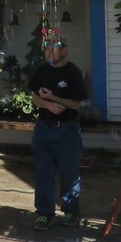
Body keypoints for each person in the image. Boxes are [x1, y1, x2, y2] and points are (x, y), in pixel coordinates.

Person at [28, 38, 87, 230]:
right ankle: (45, 214)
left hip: (67, 129)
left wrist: (53, 98)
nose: (48, 53)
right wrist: (46, 104)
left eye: (52, 49)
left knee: (68, 172)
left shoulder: (73, 73)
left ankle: (70, 212)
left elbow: (76, 103)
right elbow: (35, 97)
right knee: (43, 171)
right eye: (46, 50)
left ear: (64, 51)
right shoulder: (43, 70)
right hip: (43, 128)